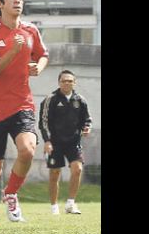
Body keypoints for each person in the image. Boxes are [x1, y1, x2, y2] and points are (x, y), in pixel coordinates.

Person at [0, 0, 49, 234]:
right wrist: (13, 51)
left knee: (27, 151)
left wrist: (38, 67)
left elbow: (43, 54)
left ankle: (11, 193)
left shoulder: (31, 30)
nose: (18, 1)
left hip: (22, 104)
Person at [38, 69, 92, 215]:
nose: (67, 83)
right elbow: (43, 123)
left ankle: (70, 204)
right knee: (55, 173)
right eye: (64, 80)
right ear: (59, 82)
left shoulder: (80, 100)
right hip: (55, 143)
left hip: (74, 142)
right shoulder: (50, 99)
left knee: (77, 169)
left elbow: (86, 120)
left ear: (75, 82)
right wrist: (47, 141)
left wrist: (87, 128)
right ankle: (54, 207)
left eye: (70, 80)